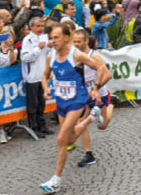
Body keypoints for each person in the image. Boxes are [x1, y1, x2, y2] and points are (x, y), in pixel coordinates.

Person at [39, 24, 110, 193]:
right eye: (51, 38)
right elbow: (44, 75)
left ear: (65, 38)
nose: (53, 41)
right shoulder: (51, 56)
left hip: (77, 100)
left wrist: (95, 88)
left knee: (61, 139)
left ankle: (56, 180)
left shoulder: (76, 54)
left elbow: (100, 67)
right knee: (69, 140)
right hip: (61, 101)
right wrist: (46, 88)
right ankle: (92, 117)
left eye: (56, 37)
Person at [72, 30, 114, 167]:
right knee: (80, 121)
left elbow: (107, 75)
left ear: (86, 41)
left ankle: (112, 103)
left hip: (99, 94)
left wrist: (95, 88)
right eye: (74, 41)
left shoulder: (94, 55)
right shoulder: (75, 56)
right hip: (84, 96)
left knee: (102, 125)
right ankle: (88, 154)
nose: (76, 44)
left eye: (79, 41)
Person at [20, 17, 53, 138]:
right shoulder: (27, 40)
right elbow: (25, 57)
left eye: (42, 26)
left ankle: (42, 126)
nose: (40, 28)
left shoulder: (44, 37)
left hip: (43, 76)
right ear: (31, 27)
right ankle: (33, 127)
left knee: (41, 103)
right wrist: (38, 48)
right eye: (38, 26)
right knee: (33, 104)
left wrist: (48, 46)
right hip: (32, 76)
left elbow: (47, 53)